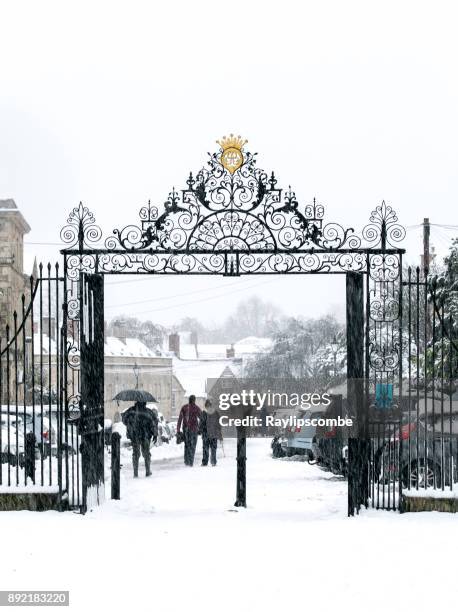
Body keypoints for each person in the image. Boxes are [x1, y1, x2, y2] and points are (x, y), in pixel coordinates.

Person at [122, 401, 158, 477]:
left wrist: (130, 424)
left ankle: (135, 473)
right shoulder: (148, 412)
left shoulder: (131, 411)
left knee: (136, 453)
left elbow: (124, 419)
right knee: (146, 453)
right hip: (145, 435)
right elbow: (154, 423)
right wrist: (155, 434)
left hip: (135, 435)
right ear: (144, 402)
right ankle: (147, 471)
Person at [177, 395, 201, 466]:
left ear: (189, 400)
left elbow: (180, 419)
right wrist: (199, 428)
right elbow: (202, 418)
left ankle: (186, 460)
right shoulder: (196, 408)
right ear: (194, 400)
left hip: (186, 429)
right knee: (193, 445)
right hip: (194, 430)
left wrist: (178, 430)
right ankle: (191, 461)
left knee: (187, 445)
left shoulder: (184, 408)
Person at [199, 398, 222, 466]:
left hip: (206, 434)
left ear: (206, 406)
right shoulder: (216, 413)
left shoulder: (204, 413)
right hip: (214, 434)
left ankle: (205, 462)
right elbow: (218, 425)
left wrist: (200, 431)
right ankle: (213, 461)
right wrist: (220, 435)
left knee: (205, 448)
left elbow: (201, 424)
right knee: (213, 448)